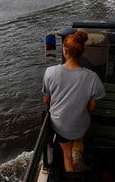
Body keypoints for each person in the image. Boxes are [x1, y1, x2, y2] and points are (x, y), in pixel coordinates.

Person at [42, 30, 106, 173]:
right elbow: (92, 107)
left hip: (60, 125)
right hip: (81, 124)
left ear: (64, 51)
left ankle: (72, 163)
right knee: (79, 126)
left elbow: (46, 99)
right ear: (81, 53)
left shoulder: (50, 72)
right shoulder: (92, 77)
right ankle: (77, 150)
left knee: (66, 156)